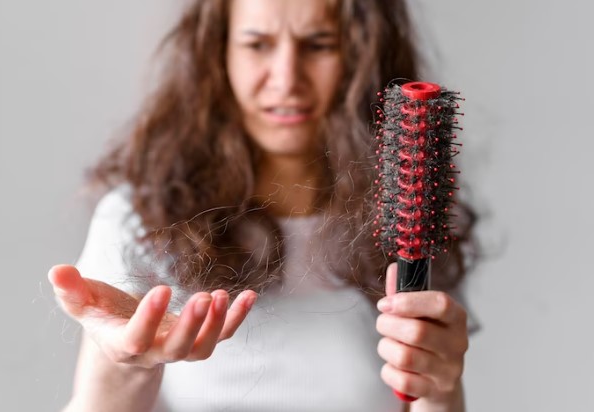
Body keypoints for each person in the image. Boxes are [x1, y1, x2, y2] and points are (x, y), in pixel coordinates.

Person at [49, 0, 476, 411]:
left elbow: (420, 395)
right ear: (219, 53)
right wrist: (127, 364)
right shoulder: (138, 218)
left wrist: (440, 393)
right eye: (257, 44)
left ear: (363, 54)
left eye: (318, 44)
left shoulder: (409, 222)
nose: (287, 78)